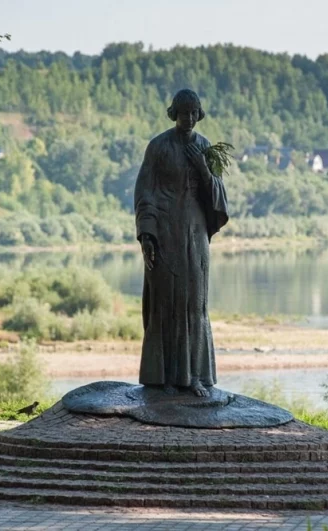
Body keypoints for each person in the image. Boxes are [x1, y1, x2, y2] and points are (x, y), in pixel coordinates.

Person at [133, 89, 229, 397]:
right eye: (183, 112)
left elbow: (219, 197)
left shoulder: (206, 149)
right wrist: (147, 235)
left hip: (195, 234)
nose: (188, 118)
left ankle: (195, 377)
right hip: (165, 232)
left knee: (194, 304)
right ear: (174, 113)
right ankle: (165, 378)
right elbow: (144, 193)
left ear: (199, 114)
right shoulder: (158, 147)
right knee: (165, 303)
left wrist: (202, 168)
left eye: (193, 112)